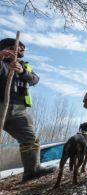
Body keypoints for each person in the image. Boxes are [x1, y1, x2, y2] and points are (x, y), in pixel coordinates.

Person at [0, 38, 55, 182]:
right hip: (1, 106)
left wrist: (22, 71)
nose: (22, 50)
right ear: (8, 48)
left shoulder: (25, 66)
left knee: (29, 139)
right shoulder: (2, 63)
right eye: (19, 47)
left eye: (23, 48)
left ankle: (32, 170)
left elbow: (35, 79)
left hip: (18, 109)